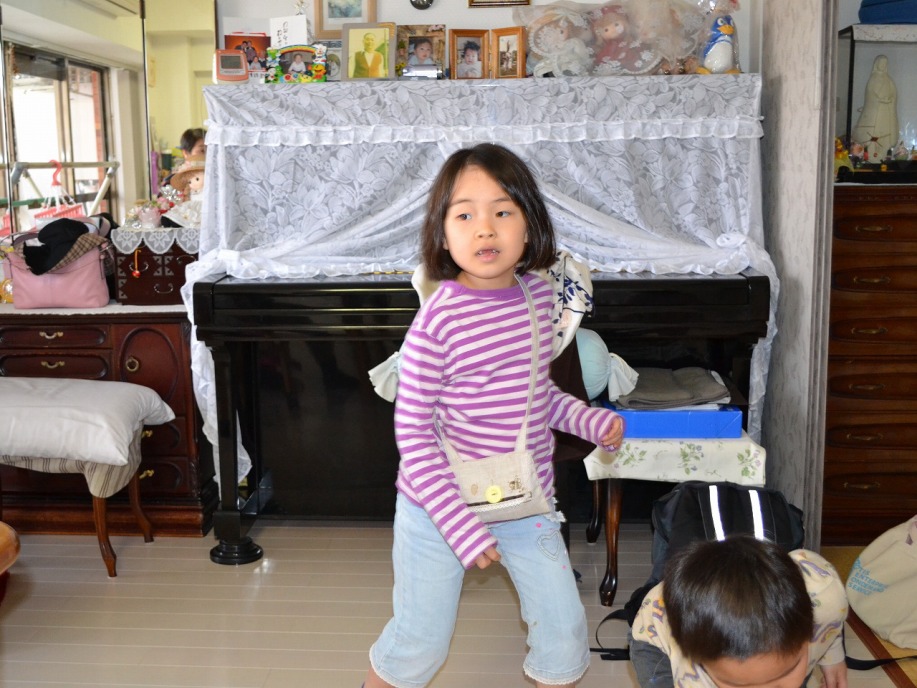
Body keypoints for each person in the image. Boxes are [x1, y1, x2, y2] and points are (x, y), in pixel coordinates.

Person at [363, 143, 625, 688]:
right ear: (442, 234)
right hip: (438, 507)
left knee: (564, 633)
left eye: (503, 211)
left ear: (530, 227)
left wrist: (590, 421)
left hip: (523, 500)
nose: (485, 228)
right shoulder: (436, 323)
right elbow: (413, 435)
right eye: (465, 215)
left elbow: (536, 395)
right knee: (420, 642)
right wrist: (459, 525)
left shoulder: (537, 299)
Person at [629, 535, 849, 688]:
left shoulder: (826, 593)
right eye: (739, 685)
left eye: (785, 674)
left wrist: (832, 656)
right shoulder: (694, 676)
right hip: (656, 637)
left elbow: (831, 620)